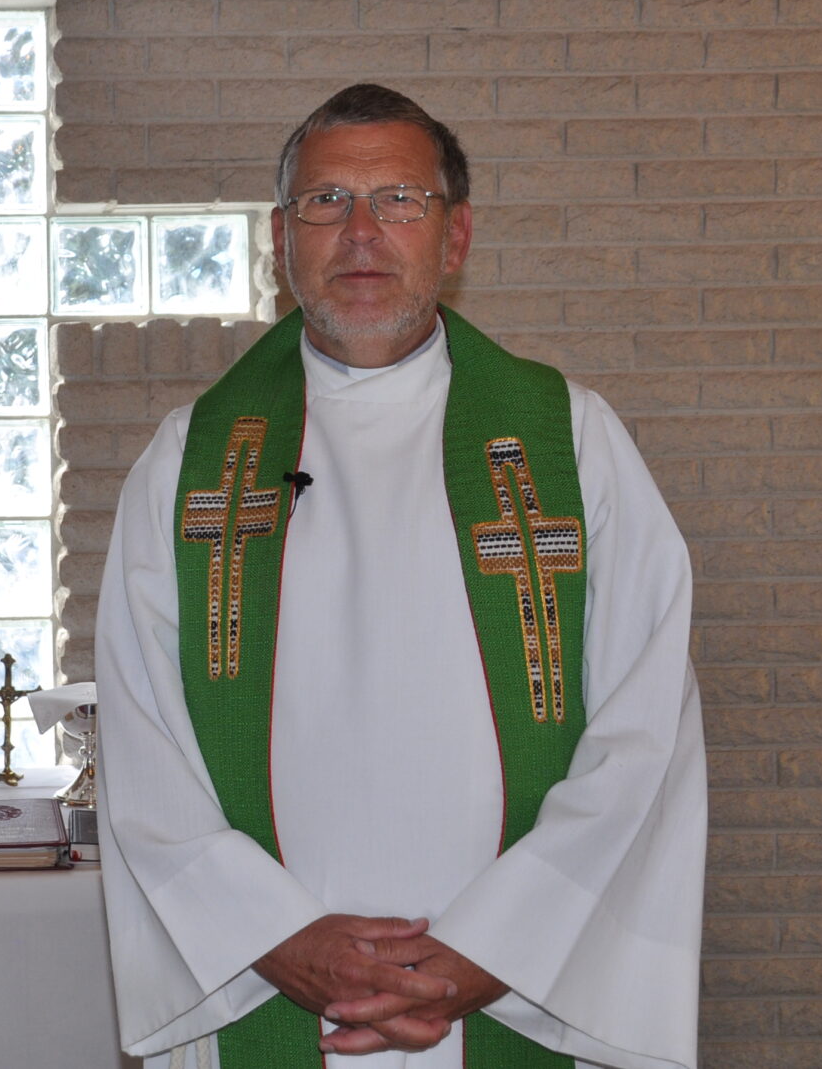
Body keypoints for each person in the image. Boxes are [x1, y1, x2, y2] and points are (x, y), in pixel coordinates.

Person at [95, 84, 705, 1069]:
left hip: (508, 993)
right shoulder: (191, 461)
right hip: (275, 991)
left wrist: (489, 949)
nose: (362, 234)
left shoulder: (570, 445)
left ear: (455, 238)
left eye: (401, 202)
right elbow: (141, 739)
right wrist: (277, 942)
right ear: (280, 238)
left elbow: (647, 732)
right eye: (326, 203)